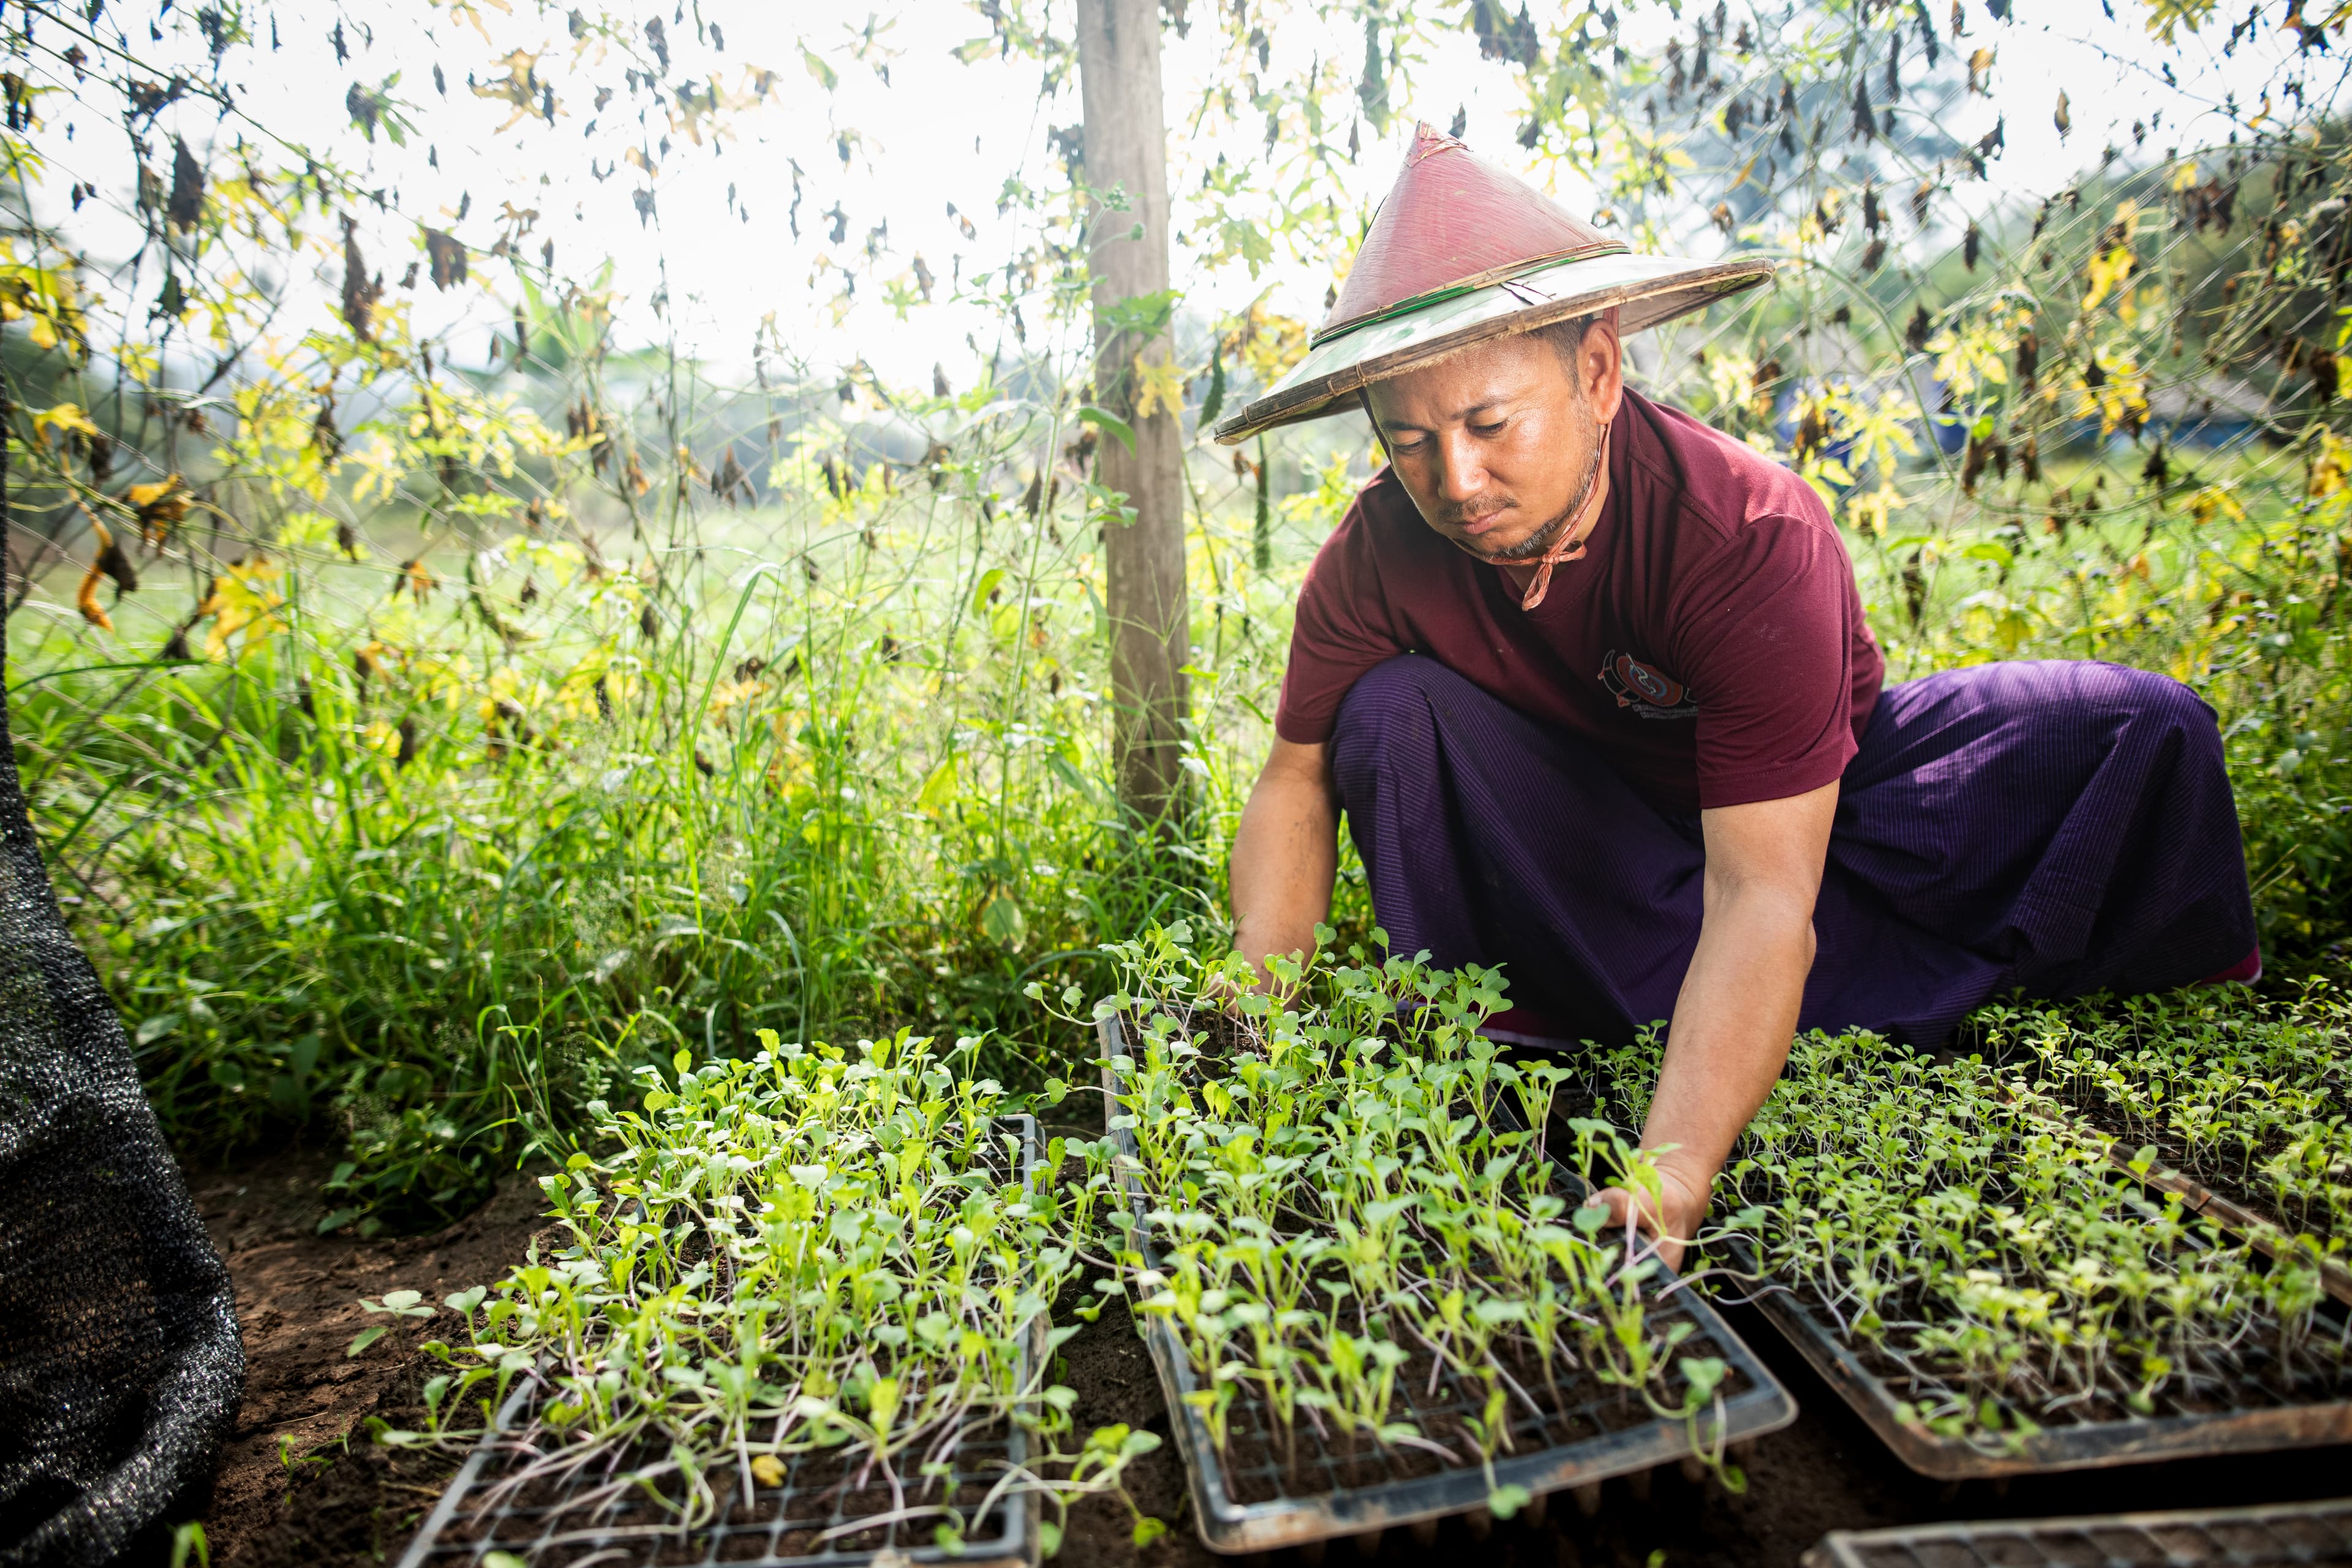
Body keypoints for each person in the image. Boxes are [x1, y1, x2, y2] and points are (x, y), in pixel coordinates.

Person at [1209, 125, 2259, 1267]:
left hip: (1825, 816)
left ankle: (1763, 1016)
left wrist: (1673, 1170)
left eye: (1489, 426)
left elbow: (1764, 890)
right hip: (1598, 852)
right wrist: (1259, 991)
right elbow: (1297, 777)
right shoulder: (1380, 551)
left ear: (1597, 373)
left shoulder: (1746, 534)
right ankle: (1556, 1029)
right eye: (1410, 443)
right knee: (1386, 715)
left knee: (2141, 730)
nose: (1455, 482)